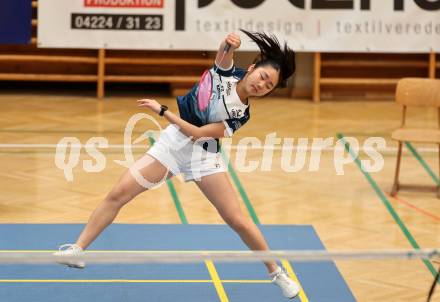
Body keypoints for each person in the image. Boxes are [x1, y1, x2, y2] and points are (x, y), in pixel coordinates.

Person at [55, 30, 299, 299]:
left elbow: (198, 133)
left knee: (237, 220)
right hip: (172, 146)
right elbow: (224, 56)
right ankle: (77, 250)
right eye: (263, 77)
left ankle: (276, 273)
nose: (261, 85)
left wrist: (163, 112)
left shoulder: (241, 115)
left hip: (204, 155)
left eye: (268, 87)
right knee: (118, 194)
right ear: (252, 68)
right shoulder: (226, 74)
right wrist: (228, 44)